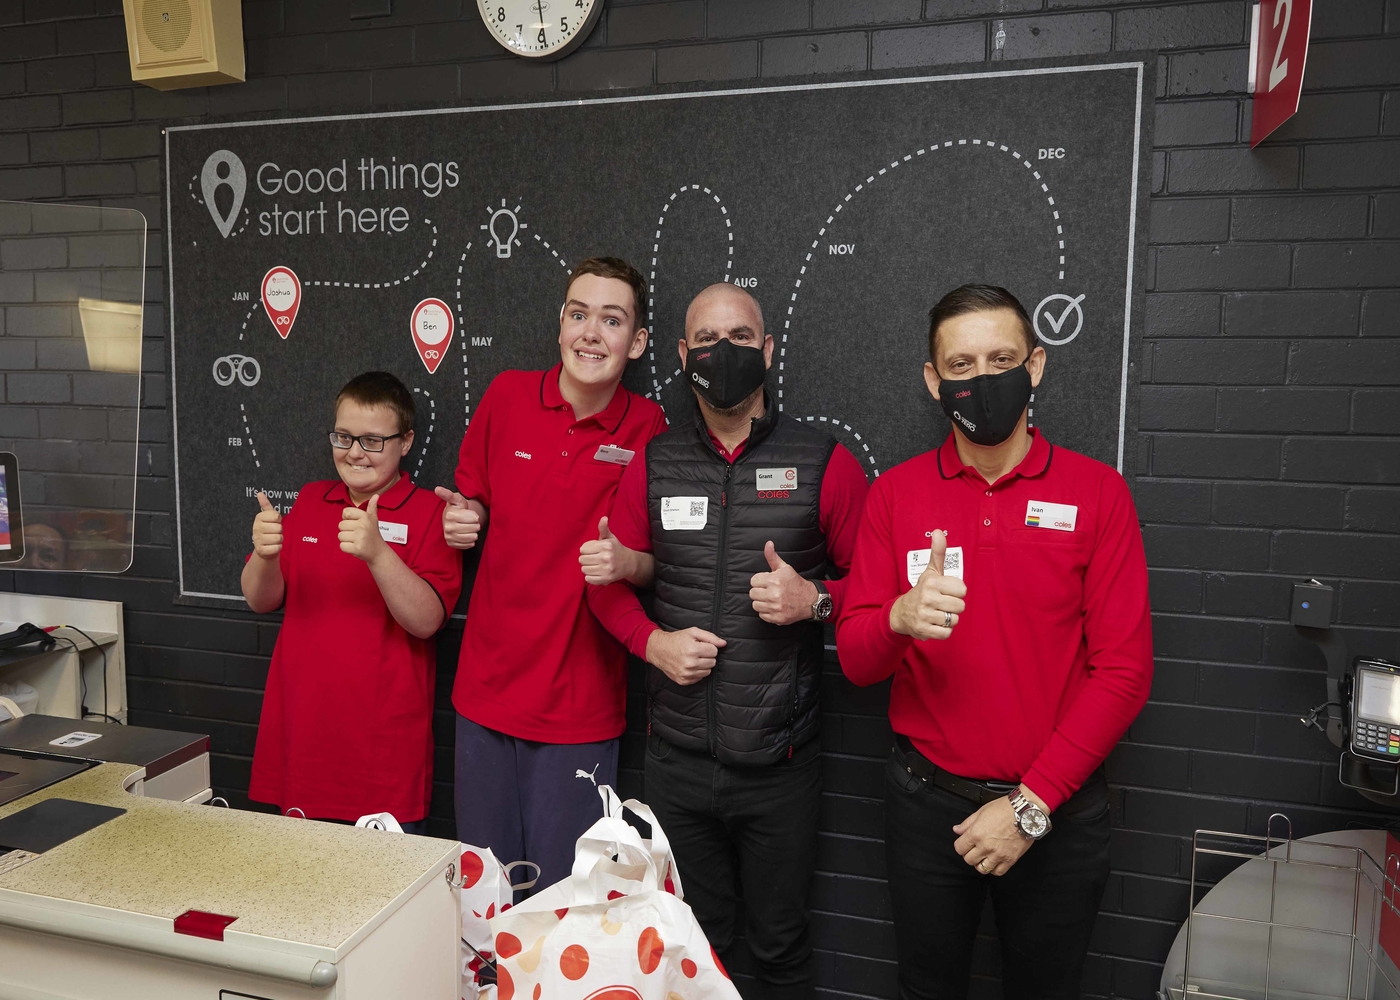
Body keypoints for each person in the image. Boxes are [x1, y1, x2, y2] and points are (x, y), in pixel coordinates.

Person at [836, 284, 1153, 999]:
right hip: (926, 808)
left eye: (1002, 358)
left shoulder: (1098, 495)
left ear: (1035, 366)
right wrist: (898, 619)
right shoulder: (896, 496)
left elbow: (1124, 672)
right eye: (961, 364)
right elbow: (856, 658)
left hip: (1056, 813)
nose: (982, 380)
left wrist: (1029, 806)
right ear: (933, 380)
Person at [585, 283, 869, 1000]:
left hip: (780, 766)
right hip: (677, 766)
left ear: (768, 350)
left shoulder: (824, 462)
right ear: (683, 356)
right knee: (687, 944)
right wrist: (653, 645)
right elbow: (606, 585)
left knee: (779, 949)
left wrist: (817, 602)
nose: (724, 354)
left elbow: (874, 595)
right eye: (707, 341)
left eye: (741, 338)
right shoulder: (654, 462)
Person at [441, 257, 667, 890]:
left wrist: (628, 562)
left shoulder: (649, 427)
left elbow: (661, 563)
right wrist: (465, 519)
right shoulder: (507, 395)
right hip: (485, 693)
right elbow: (471, 500)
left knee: (565, 908)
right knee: (483, 903)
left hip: (580, 706)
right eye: (578, 314)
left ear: (638, 342)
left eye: (612, 319)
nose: (591, 333)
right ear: (560, 325)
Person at [243, 371, 462, 835]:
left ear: (405, 442)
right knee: (297, 893)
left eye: (372, 440)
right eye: (344, 436)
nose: (355, 451)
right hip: (301, 744)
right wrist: (265, 556)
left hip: (381, 759)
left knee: (385, 899)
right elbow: (261, 600)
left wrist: (378, 554)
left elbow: (427, 621)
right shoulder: (309, 499)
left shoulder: (432, 514)